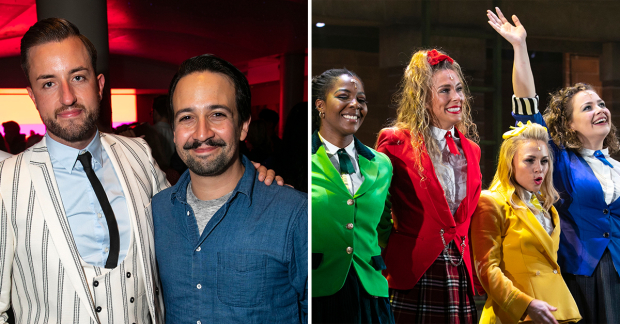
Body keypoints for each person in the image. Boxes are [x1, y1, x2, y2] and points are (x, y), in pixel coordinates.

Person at [0, 18, 277, 324]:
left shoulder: (137, 152)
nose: (67, 97)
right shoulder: (8, 179)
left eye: (78, 77)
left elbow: (182, 212)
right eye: (49, 83)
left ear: (99, 85)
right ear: (32, 96)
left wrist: (249, 178)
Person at [151, 54, 307, 323]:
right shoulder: (156, 211)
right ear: (175, 131)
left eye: (217, 114)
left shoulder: (294, 213)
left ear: (243, 125)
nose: (202, 133)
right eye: (187, 117)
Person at [488, 7, 620, 323]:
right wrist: (519, 46)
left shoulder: (616, 166)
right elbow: (527, 110)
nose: (599, 109)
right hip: (578, 272)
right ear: (570, 124)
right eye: (587, 108)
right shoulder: (558, 159)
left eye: (601, 104)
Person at [376, 49, 482, 323]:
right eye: (445, 90)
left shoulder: (472, 150)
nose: (456, 97)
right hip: (414, 271)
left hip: (459, 272)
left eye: (458, 89)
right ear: (422, 98)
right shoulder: (395, 141)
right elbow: (377, 213)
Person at [471, 121, 581, 324]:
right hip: (513, 315)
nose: (539, 169)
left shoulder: (547, 207)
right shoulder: (491, 201)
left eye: (544, 161)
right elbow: (486, 269)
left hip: (554, 310)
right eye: (530, 160)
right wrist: (525, 303)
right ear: (509, 163)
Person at [311, 69, 394, 323]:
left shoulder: (382, 164)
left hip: (371, 293)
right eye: (344, 96)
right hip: (318, 290)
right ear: (321, 106)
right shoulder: (302, 161)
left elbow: (384, 226)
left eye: (361, 99)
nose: (355, 105)